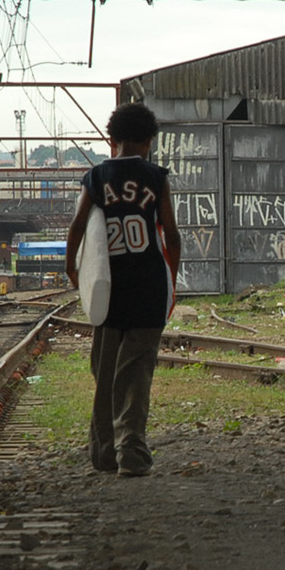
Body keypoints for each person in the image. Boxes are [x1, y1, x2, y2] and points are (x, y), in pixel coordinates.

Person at [65, 101, 181, 476]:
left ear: (111, 138)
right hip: (148, 287)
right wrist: (171, 279)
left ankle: (102, 453)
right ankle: (130, 452)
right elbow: (172, 234)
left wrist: (73, 268)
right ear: (150, 140)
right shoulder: (157, 177)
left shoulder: (96, 178)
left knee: (105, 371)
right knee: (136, 374)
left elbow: (79, 227)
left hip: (108, 289)